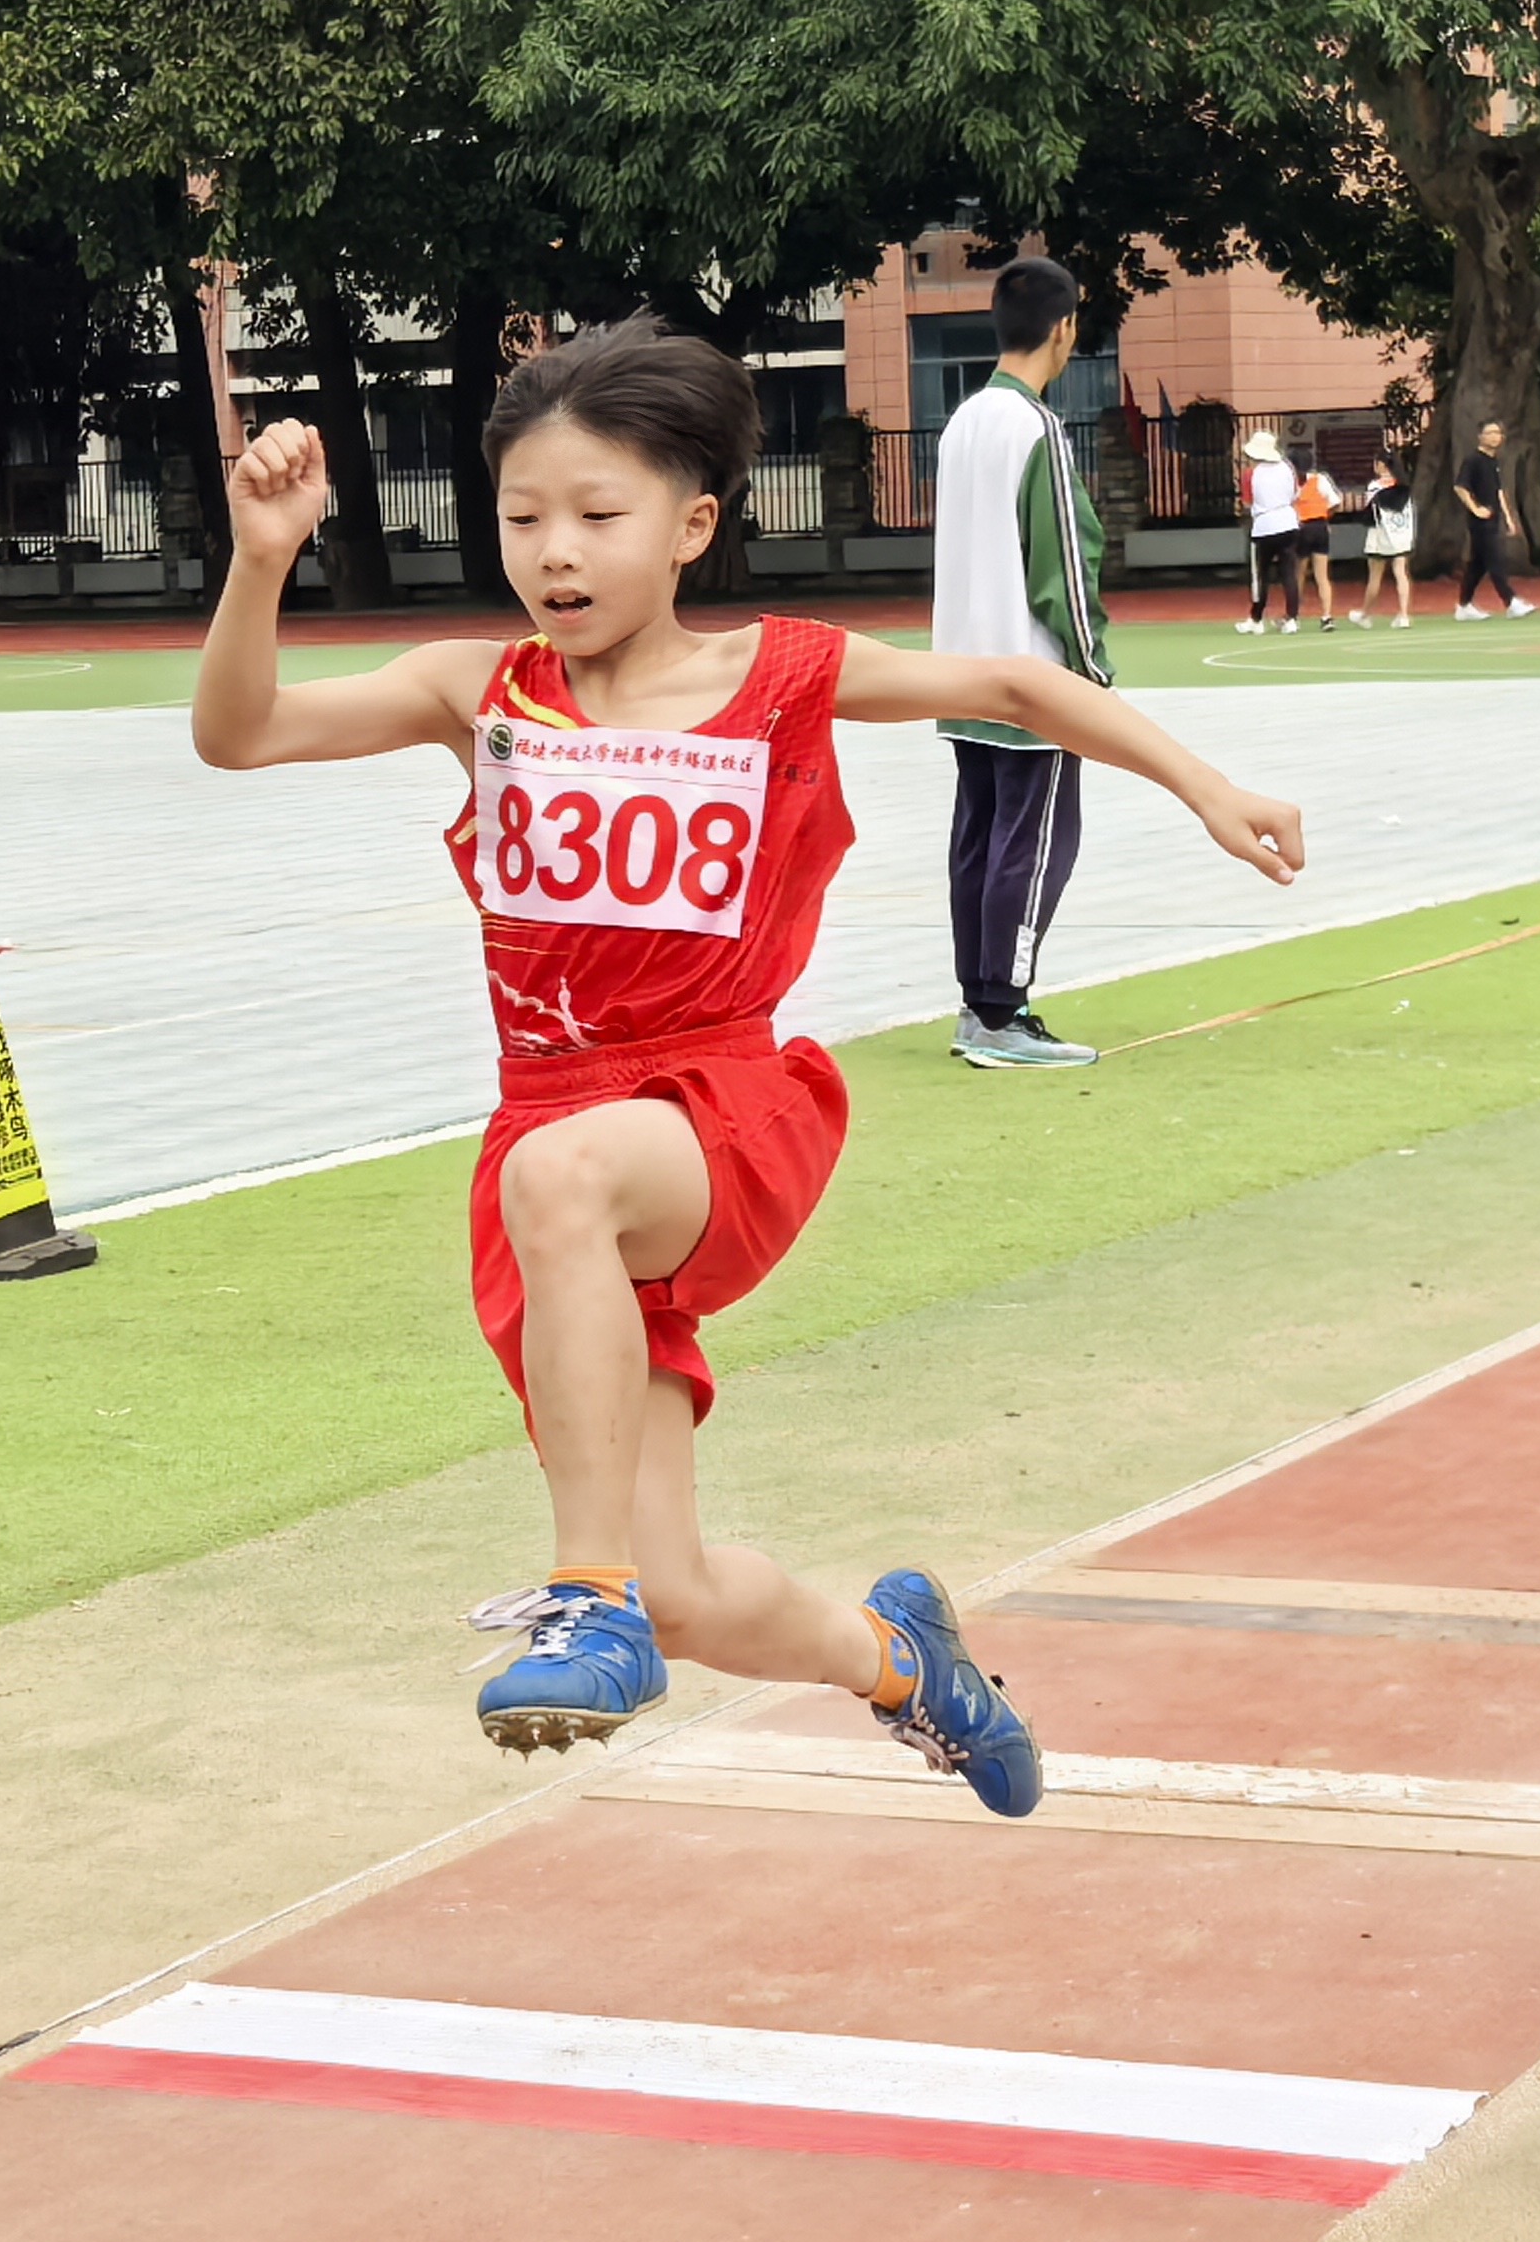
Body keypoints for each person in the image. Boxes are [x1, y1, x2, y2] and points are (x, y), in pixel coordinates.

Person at [188, 320, 1305, 1797]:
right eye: (523, 519)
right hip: (557, 1156)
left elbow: (1020, 691)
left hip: (719, 1109)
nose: (555, 553)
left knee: (565, 1182)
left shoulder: (780, 674)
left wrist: (1208, 786)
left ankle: (583, 1594)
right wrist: (262, 559)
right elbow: (242, 732)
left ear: (693, 526)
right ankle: (904, 1662)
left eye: (599, 515)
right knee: (688, 1597)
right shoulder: (479, 692)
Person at [927, 255, 1111, 1066]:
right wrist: (1092, 673)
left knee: (979, 839)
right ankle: (1003, 1014)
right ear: (1064, 328)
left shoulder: (964, 421)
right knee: (1034, 845)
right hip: (1032, 680)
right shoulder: (1036, 427)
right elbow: (1065, 564)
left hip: (962, 672)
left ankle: (979, 1004)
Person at [1450, 419, 1534, 618]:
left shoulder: (1493, 461)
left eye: (1498, 433)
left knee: (1478, 565)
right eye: (1490, 433)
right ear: (1480, 436)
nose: (1495, 437)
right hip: (1480, 523)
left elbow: (1498, 492)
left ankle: (1464, 605)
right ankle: (1511, 601)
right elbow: (1460, 487)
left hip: (1494, 520)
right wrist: (1475, 509)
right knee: (1495, 560)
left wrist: (1509, 518)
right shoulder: (1473, 460)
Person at [1237, 423, 1305, 635]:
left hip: (1263, 526)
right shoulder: (1287, 467)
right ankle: (1292, 618)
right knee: (1288, 573)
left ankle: (1256, 619)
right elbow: (1295, 495)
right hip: (1288, 523)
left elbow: (1247, 503)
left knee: (1260, 574)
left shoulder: (1251, 473)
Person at [1353, 441, 1416, 626]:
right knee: (1401, 573)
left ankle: (1365, 615)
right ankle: (1403, 615)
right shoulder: (1404, 486)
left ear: (1381, 465)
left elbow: (1369, 513)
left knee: (1375, 576)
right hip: (1401, 534)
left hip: (1380, 535)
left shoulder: (1376, 486)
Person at [1294, 457, 1341, 628]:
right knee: (1322, 575)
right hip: (1320, 526)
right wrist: (1325, 517)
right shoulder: (1320, 479)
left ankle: (1293, 615)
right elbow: (1336, 503)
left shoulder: (1292, 484)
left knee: (1299, 573)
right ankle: (1327, 616)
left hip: (1302, 527)